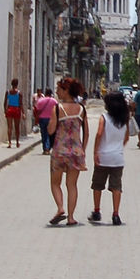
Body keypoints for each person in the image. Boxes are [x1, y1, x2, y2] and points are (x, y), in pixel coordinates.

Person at [47, 77, 87, 226]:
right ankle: (71, 217)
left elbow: (51, 130)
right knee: (72, 185)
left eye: (59, 89)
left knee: (55, 183)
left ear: (66, 91)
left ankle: (60, 207)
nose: (57, 92)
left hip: (59, 151)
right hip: (76, 151)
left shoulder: (57, 108)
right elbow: (86, 132)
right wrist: (83, 149)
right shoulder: (81, 109)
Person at [89, 91, 130, 225]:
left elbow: (99, 134)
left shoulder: (104, 118)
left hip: (103, 156)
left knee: (97, 185)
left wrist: (95, 151)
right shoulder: (124, 120)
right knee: (116, 187)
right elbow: (127, 137)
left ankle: (96, 211)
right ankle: (116, 214)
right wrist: (119, 147)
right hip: (118, 158)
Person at [34, 87, 56, 154]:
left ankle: (45, 148)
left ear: (45, 93)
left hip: (42, 119)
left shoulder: (40, 101)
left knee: (44, 134)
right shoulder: (54, 101)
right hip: (51, 119)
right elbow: (57, 110)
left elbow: (37, 110)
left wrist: (36, 119)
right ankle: (48, 148)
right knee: (50, 134)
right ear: (51, 93)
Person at [3, 78, 22, 147]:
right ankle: (17, 142)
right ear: (17, 84)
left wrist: (5, 110)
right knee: (17, 127)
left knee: (9, 127)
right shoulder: (19, 93)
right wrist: (22, 112)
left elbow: (5, 102)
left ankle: (10, 142)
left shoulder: (8, 92)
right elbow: (20, 103)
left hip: (9, 109)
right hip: (16, 110)